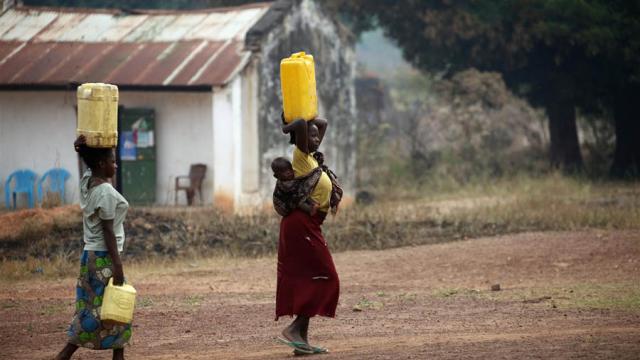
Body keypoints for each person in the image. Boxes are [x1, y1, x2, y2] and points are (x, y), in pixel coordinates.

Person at [56, 135, 131, 360]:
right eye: (112, 161)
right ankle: (66, 353)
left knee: (96, 306)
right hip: (104, 257)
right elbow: (108, 231)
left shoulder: (88, 182)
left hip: (90, 255)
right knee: (114, 306)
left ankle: (117, 355)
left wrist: (81, 148)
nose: (115, 165)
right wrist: (118, 266)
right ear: (101, 164)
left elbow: (87, 164)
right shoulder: (105, 192)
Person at [275, 117, 340, 355]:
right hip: (301, 225)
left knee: (311, 278)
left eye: (316, 136)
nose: (316, 138)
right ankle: (294, 329)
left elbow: (322, 123)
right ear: (301, 138)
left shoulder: (312, 158)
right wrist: (291, 124)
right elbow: (302, 123)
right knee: (327, 276)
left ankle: (301, 340)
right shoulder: (301, 157)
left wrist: (310, 114)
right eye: (311, 136)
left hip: (310, 223)